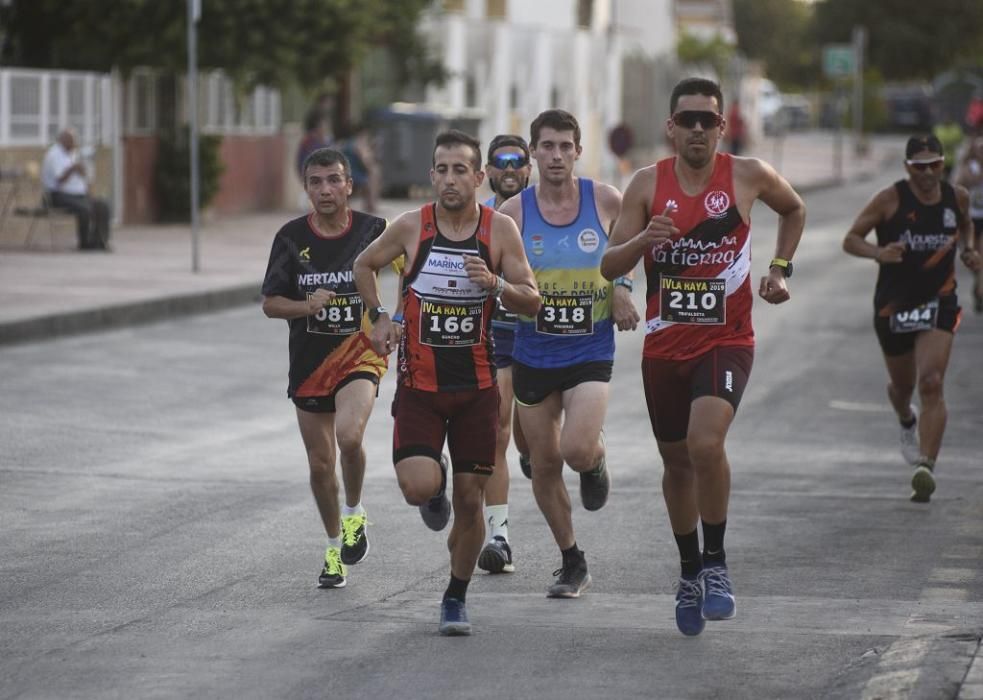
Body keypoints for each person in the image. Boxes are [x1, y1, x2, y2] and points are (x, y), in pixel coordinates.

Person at [600, 77, 806, 636]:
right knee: (676, 464)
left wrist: (779, 269)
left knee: (705, 443)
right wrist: (644, 243)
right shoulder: (647, 184)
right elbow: (610, 265)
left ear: (722, 126)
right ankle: (689, 569)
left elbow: (794, 210)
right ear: (670, 127)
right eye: (686, 119)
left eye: (707, 120)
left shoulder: (747, 175)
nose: (697, 129)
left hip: (727, 338)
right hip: (666, 346)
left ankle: (715, 563)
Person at [352, 130, 540, 636]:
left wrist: (496, 284)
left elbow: (531, 298)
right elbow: (362, 264)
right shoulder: (412, 227)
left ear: (479, 178)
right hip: (421, 388)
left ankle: (455, 596)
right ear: (431, 175)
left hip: (478, 389)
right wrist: (378, 319)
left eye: (461, 170)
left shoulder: (498, 231)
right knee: (418, 486)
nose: (451, 179)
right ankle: (432, 479)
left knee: (472, 502)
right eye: (442, 169)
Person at [499, 109, 639, 600]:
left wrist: (621, 286)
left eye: (565, 146)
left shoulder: (604, 200)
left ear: (579, 150)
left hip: (589, 347)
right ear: (533, 152)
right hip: (533, 352)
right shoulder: (513, 214)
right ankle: (572, 560)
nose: (556, 155)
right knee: (543, 464)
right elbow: (499, 278)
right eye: (547, 146)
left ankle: (596, 462)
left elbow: (627, 251)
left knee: (575, 450)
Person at [261, 147, 389, 589]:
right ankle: (334, 549)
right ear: (306, 188)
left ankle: (354, 512)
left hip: (359, 355)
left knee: (349, 435)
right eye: (316, 182)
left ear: (349, 185)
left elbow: (413, 268)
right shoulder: (291, 238)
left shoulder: (374, 230)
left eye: (334, 180)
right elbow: (270, 304)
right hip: (311, 363)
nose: (325, 190)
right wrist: (305, 305)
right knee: (320, 465)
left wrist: (393, 316)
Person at [842, 134, 981, 503]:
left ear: (943, 164)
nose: (928, 173)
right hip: (893, 306)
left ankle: (926, 466)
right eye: (920, 167)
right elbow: (850, 239)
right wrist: (878, 252)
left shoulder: (957, 197)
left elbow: (966, 225)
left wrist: (968, 250)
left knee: (932, 381)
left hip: (940, 300)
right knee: (902, 388)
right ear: (907, 168)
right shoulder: (890, 199)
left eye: (935, 164)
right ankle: (906, 418)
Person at [476, 134, 535, 575]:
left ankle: (589, 451)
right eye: (501, 161)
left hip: (544, 337)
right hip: (495, 336)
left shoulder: (550, 213)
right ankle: (499, 536)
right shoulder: (476, 219)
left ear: (529, 168)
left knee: (533, 443)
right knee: (497, 431)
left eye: (518, 160)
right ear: (489, 171)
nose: (510, 168)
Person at [41, 128, 111, 251]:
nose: (74, 144)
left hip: (77, 195)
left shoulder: (72, 154)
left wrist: (82, 171)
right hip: (58, 195)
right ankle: (84, 243)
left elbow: (84, 177)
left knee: (102, 205)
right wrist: (73, 168)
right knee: (85, 209)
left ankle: (100, 242)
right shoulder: (54, 154)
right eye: (72, 141)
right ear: (63, 140)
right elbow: (59, 180)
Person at [952, 136, 983, 312]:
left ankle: (980, 291)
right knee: (972, 257)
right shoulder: (967, 167)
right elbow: (957, 186)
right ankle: (978, 282)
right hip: (970, 220)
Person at [296, 109, 331, 184]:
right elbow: (302, 165)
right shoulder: (309, 142)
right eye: (325, 122)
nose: (327, 125)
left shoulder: (327, 140)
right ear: (317, 124)